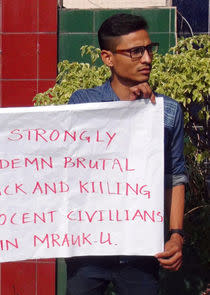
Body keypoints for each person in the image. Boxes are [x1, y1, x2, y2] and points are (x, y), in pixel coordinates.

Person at [66, 13, 187, 295]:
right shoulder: (83, 102)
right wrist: (129, 115)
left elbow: (176, 177)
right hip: (88, 250)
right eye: (135, 51)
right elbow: (72, 166)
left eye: (149, 49)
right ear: (108, 58)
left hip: (141, 251)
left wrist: (176, 236)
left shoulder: (167, 112)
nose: (146, 59)